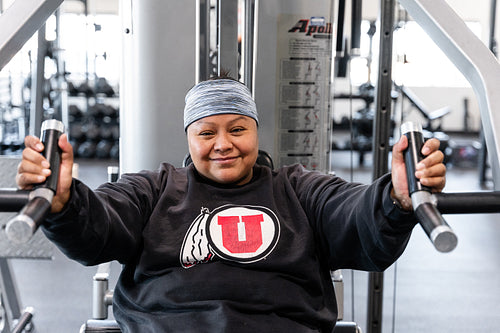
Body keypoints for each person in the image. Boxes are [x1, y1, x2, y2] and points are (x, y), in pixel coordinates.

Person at [16, 75, 446, 333]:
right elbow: (99, 227)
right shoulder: (155, 189)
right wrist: (66, 201)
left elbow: (354, 217)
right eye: (206, 133)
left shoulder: (299, 189)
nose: (223, 144)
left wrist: (395, 197)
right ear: (189, 137)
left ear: (256, 132)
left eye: (237, 129)